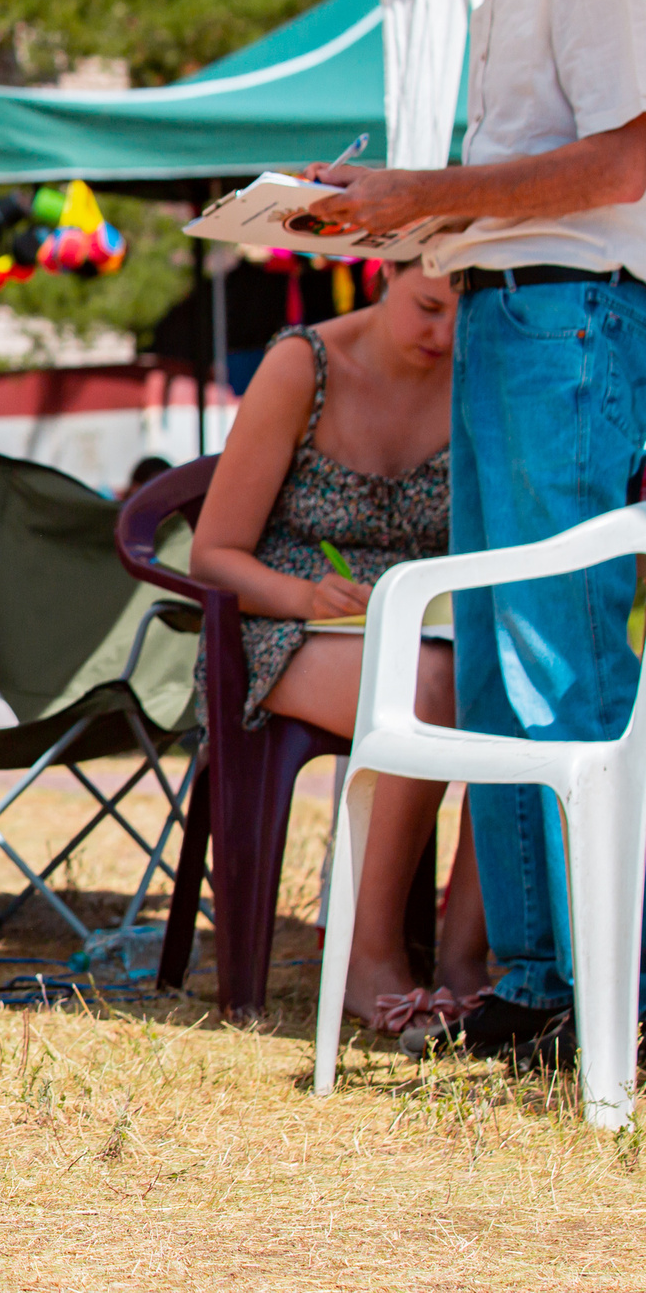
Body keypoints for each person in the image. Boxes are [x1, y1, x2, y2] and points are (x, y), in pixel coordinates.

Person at [308, 0, 646, 1065]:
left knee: (556, 651)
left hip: (573, 322)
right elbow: (528, 183)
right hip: (517, 321)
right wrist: (390, 219)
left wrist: (428, 198)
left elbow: (627, 161)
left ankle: (608, 980)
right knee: (500, 659)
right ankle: (542, 983)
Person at [189, 262, 485, 1034]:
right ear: (385, 272)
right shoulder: (304, 365)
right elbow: (214, 555)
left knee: (519, 688)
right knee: (423, 689)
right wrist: (307, 594)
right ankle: (366, 953)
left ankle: (467, 960)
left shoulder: (480, 369)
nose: (444, 334)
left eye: (464, 314)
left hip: (428, 628)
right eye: (427, 307)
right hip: (283, 625)